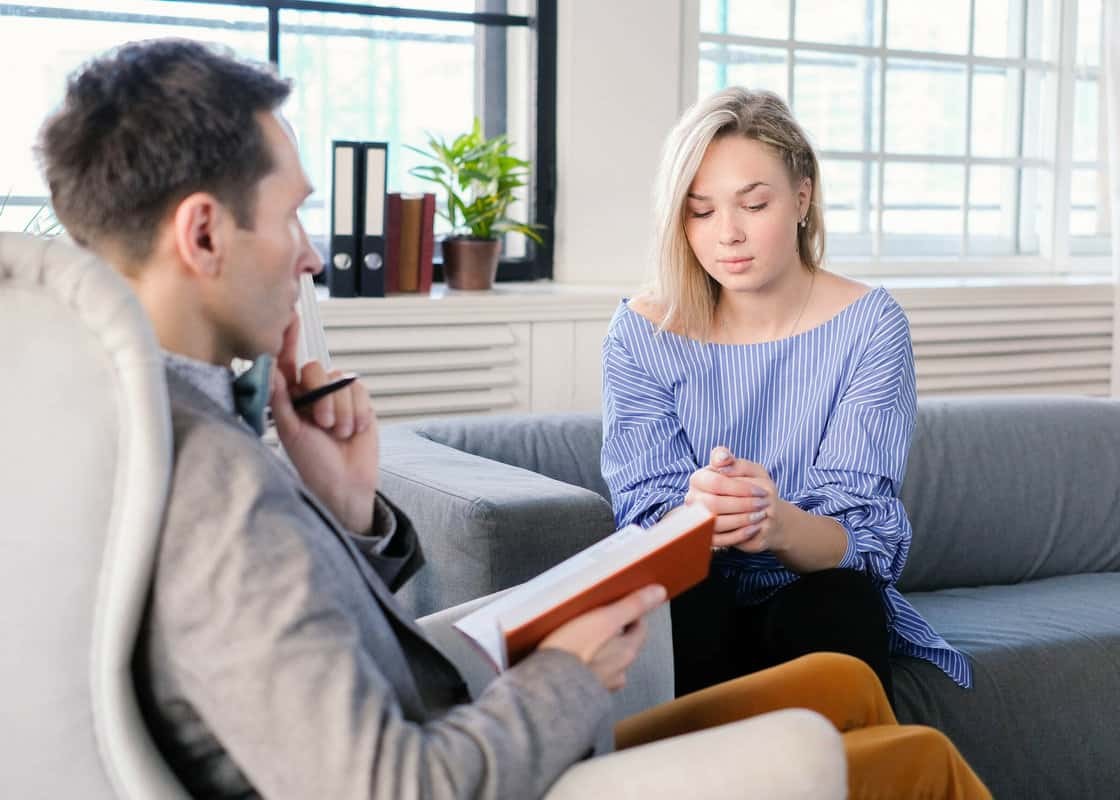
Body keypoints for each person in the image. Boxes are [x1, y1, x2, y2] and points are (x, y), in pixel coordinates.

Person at [38, 41, 989, 799]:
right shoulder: (219, 486)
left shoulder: (156, 428)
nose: (314, 255)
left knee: (846, 681)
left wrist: (351, 514)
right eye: (293, 217)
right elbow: (393, 783)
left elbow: (305, 657)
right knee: (921, 764)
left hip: (471, 729)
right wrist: (568, 666)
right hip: (490, 766)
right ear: (204, 232)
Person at [601, 86, 970, 701]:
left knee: (839, 602)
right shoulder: (642, 332)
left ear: (802, 198)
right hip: (696, 591)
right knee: (685, 600)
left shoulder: (870, 325)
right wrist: (697, 513)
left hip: (817, 584)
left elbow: (865, 541)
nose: (728, 234)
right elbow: (641, 516)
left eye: (754, 204)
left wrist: (773, 522)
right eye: (701, 211)